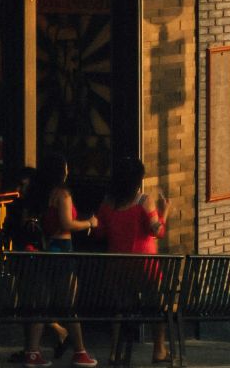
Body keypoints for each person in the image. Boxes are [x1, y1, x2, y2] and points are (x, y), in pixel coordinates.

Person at [24, 153, 98, 366]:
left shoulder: (38, 193)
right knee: (69, 303)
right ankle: (80, 351)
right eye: (65, 168)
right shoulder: (63, 194)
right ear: (61, 171)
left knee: (41, 303)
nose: (68, 172)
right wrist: (89, 223)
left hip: (44, 250)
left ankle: (32, 352)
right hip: (62, 249)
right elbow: (67, 223)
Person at [98, 156, 170, 364]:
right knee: (156, 304)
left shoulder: (108, 203)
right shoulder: (143, 201)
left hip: (117, 268)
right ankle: (159, 350)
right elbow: (158, 231)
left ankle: (113, 352)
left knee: (119, 309)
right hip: (145, 266)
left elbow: (100, 233)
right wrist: (164, 213)